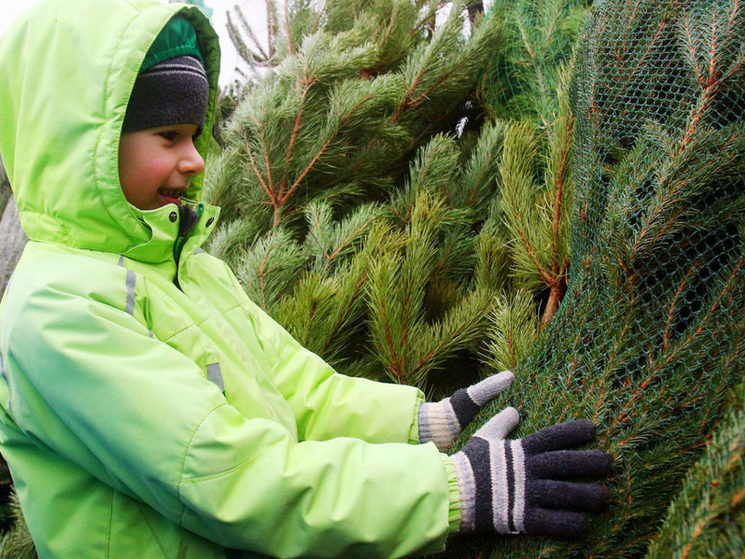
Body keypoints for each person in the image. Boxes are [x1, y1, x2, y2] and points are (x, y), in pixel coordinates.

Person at [0, 1, 610, 557]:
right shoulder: (58, 312)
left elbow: (298, 389)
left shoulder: (189, 270)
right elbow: (229, 479)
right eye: (168, 137)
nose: (194, 159)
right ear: (87, 144)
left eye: (194, 135)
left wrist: (422, 423)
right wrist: (449, 490)